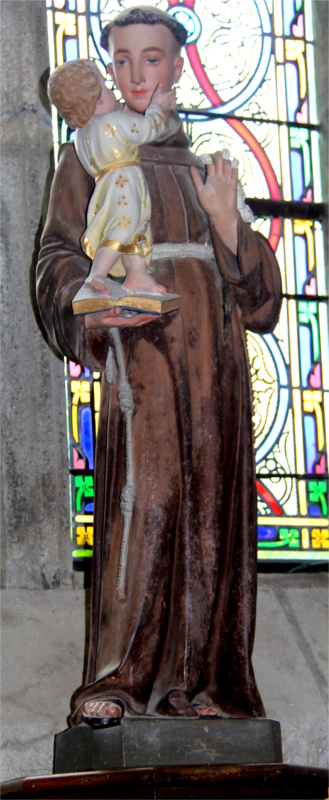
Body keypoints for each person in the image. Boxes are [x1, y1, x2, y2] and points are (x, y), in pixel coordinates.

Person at [37, 6, 281, 726]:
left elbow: (261, 298)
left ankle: (209, 688)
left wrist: (229, 222)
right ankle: (118, 685)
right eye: (122, 60)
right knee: (143, 507)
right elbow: (56, 258)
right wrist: (86, 307)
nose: (137, 74)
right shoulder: (92, 155)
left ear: (177, 66)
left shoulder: (207, 168)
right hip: (139, 362)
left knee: (212, 516)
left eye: (153, 58)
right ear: (108, 68)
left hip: (217, 373)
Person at [47, 58, 176, 299]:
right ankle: (97, 273)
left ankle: (136, 275)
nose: (111, 91)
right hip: (124, 184)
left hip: (108, 185)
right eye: (105, 87)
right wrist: (158, 107)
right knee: (124, 227)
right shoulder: (112, 122)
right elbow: (149, 128)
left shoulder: (80, 136)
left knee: (137, 230)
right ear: (96, 99)